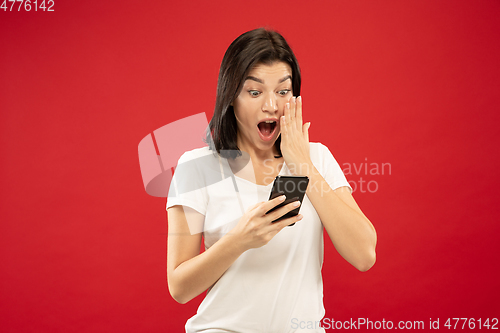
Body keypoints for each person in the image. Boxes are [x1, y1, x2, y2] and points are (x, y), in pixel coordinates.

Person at [166, 28, 377, 332]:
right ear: (231, 97)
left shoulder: (315, 159)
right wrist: (240, 241)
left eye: (283, 91)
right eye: (254, 92)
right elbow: (179, 287)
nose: (271, 106)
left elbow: (364, 254)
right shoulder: (197, 167)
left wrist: (302, 165)